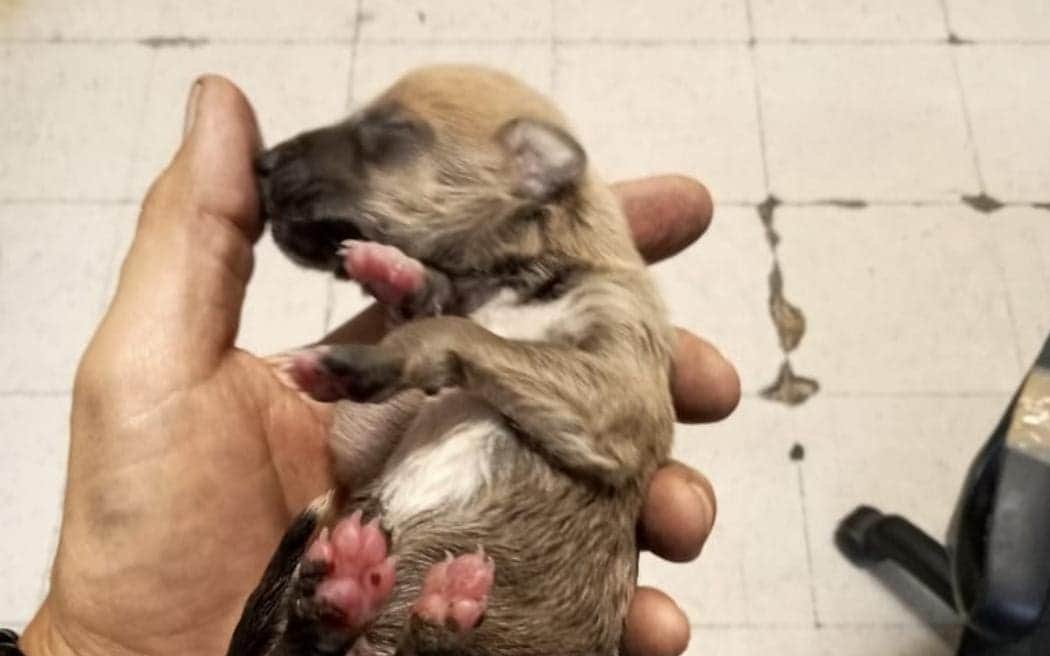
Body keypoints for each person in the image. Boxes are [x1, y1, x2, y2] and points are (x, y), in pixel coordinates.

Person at [15, 77, 740, 656]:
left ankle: (349, 632)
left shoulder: (613, 305)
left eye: (388, 141)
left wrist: (449, 343)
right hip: (395, 594)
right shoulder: (467, 316)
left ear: (531, 170)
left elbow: (610, 433)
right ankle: (327, 630)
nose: (337, 156)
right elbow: (353, 451)